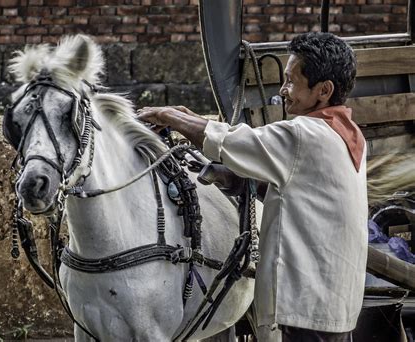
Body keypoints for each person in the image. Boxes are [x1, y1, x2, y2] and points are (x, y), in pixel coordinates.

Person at [137, 32, 367, 342]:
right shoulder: (346, 135)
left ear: (324, 90)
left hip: (304, 307)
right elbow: (295, 190)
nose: (283, 91)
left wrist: (170, 116)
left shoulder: (305, 135)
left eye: (291, 82)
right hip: (333, 304)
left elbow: (231, 141)